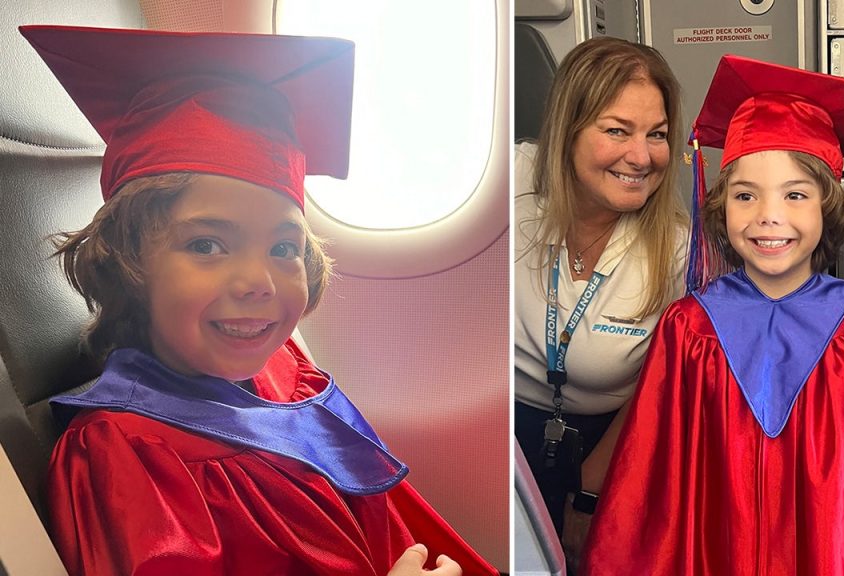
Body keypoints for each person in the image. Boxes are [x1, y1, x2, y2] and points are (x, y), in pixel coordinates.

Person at [21, 25, 496, 576]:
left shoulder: (282, 368)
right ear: (126, 264)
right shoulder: (125, 455)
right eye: (206, 244)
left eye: (283, 247)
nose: (259, 281)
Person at [582, 55, 844, 575]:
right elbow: (650, 487)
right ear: (720, 207)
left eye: (795, 194)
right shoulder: (689, 328)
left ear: (827, 206)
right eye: (745, 195)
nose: (768, 215)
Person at [513, 36, 688, 569]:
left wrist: (590, 495)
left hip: (607, 445)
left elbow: (658, 389)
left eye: (656, 135)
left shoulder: (675, 249)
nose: (641, 157)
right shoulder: (509, 183)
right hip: (503, 436)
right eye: (616, 130)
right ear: (568, 131)